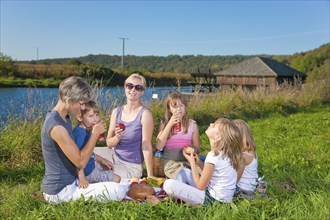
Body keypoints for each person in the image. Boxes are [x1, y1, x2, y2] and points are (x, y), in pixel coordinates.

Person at [41, 76, 125, 203]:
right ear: (69, 99)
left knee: (117, 184)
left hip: (70, 182)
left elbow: (76, 150)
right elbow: (80, 162)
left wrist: (99, 158)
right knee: (118, 191)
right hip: (61, 191)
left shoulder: (64, 118)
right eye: (81, 103)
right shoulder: (56, 126)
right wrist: (95, 133)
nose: (82, 107)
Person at [163, 118, 244, 205]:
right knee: (185, 172)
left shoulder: (213, 156)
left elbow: (200, 186)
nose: (211, 123)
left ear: (218, 137)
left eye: (214, 125)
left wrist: (192, 163)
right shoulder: (227, 154)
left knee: (168, 184)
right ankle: (184, 197)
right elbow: (214, 174)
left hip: (212, 201)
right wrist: (199, 163)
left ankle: (184, 200)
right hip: (224, 201)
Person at [105, 73, 154, 179]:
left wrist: (150, 175)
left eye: (138, 87)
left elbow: (146, 145)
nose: (133, 90)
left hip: (131, 166)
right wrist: (117, 137)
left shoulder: (145, 114)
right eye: (130, 86)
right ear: (125, 87)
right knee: (90, 158)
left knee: (101, 174)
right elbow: (109, 143)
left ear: (142, 91)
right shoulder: (116, 112)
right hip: (114, 157)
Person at [73, 100, 121, 189]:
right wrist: (82, 177)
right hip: (87, 172)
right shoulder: (80, 134)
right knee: (117, 179)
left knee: (108, 167)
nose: (95, 119)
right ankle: (96, 188)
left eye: (97, 115)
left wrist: (101, 159)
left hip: (90, 165)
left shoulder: (86, 130)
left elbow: (88, 152)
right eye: (91, 116)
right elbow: (76, 158)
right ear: (80, 117)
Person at [156, 91, 201, 180]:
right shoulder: (164, 124)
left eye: (181, 105)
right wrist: (169, 124)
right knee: (183, 176)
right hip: (170, 163)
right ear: (169, 109)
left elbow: (197, 148)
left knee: (201, 176)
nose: (179, 109)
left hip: (188, 161)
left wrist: (192, 149)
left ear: (185, 107)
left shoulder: (192, 125)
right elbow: (158, 146)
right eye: (175, 106)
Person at [232, 119, 258, 198]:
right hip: (250, 186)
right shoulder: (251, 152)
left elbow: (235, 179)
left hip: (243, 188)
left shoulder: (243, 157)